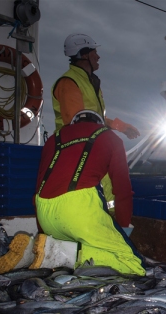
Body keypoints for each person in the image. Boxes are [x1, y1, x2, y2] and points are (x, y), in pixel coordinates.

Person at [0, 110, 144, 275]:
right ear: (100, 124)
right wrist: (123, 229)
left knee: (75, 247)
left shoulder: (53, 139)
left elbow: (38, 191)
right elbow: (122, 191)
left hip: (45, 211)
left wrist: (44, 233)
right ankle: (60, 254)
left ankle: (34, 253)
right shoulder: (110, 137)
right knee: (134, 264)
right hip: (78, 210)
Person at [53, 33, 140, 215]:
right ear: (84, 54)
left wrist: (121, 127)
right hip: (79, 152)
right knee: (89, 198)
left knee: (110, 196)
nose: (98, 56)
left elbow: (96, 119)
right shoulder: (69, 82)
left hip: (94, 147)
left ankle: (114, 227)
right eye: (94, 52)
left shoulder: (90, 82)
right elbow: (76, 124)